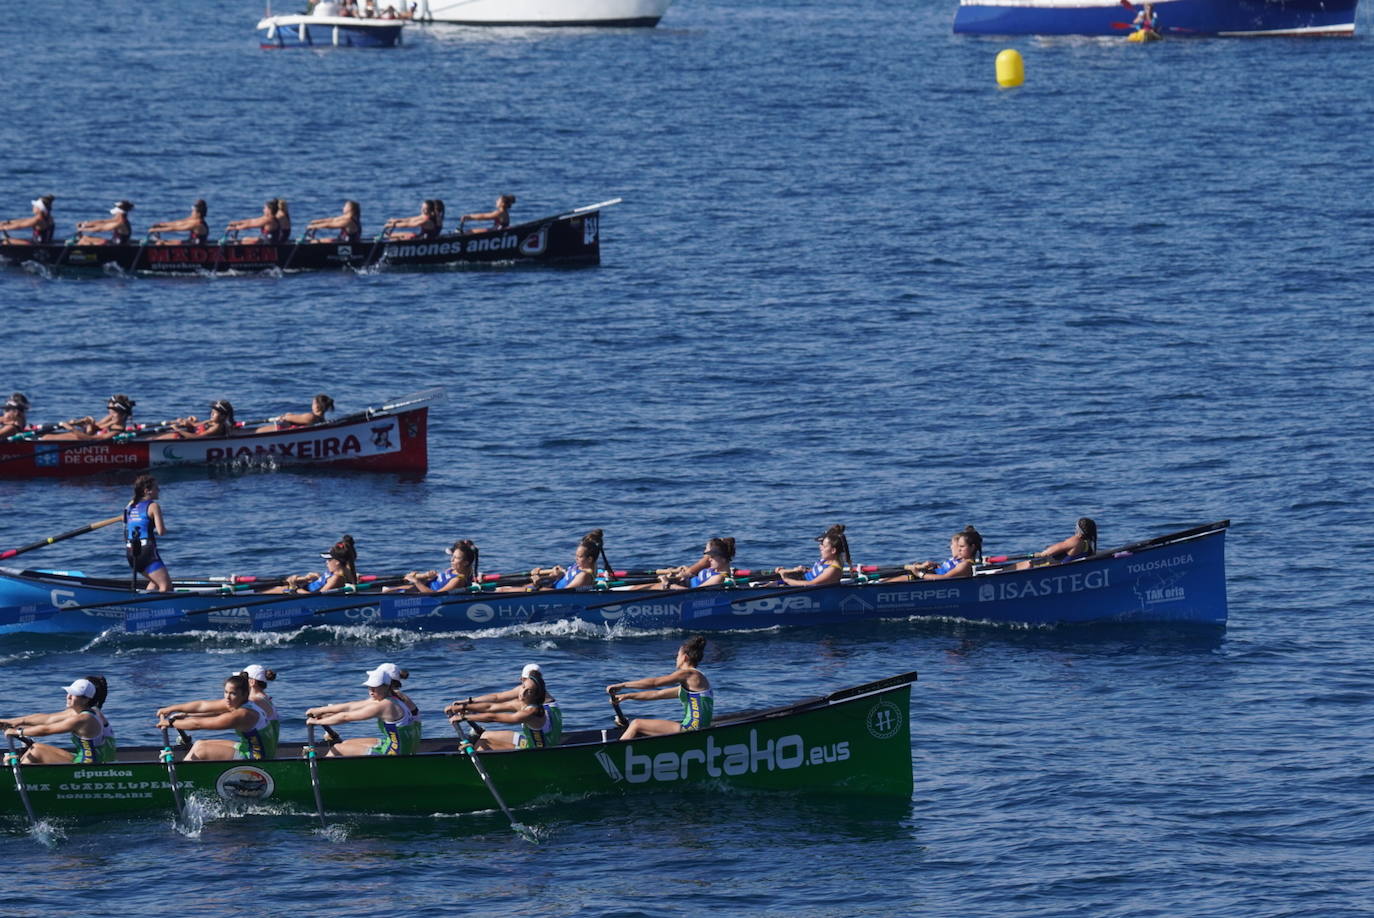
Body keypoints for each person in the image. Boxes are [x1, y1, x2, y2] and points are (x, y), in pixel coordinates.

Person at [607, 635, 712, 740]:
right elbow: (657, 694)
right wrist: (626, 696)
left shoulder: (688, 673)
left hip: (691, 729)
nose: (676, 658)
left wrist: (623, 685)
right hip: (698, 730)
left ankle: (615, 753)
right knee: (642, 728)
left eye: (677, 655)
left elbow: (654, 683)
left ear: (685, 657)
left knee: (636, 724)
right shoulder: (695, 682)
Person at [157, 674, 276, 761]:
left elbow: (198, 724)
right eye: (225, 692)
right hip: (248, 747)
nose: (227, 697)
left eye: (233, 693)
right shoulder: (238, 702)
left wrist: (171, 723)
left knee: (200, 751)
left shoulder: (243, 714)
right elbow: (201, 706)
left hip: (257, 758)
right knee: (199, 744)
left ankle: (183, 781)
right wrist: (171, 709)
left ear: (244, 694)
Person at [0, 676, 115, 765]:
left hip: (88, 767)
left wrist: (17, 732)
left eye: (74, 694)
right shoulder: (84, 711)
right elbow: (48, 719)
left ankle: (15, 781)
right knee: (37, 747)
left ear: (86, 700)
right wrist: (11, 722)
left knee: (37, 751)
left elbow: (47, 730)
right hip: (87, 759)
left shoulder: (84, 719)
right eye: (69, 692)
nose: (68, 697)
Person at [306, 666, 418, 757]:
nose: (371, 691)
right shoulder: (391, 698)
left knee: (338, 748)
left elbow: (346, 717)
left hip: (394, 753)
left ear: (386, 686)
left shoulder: (385, 705)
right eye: (369, 687)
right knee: (346, 743)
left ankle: (325, 773)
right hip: (400, 747)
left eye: (375, 687)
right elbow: (351, 707)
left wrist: (316, 722)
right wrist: (320, 711)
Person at [446, 662, 563, 746]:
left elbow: (494, 717)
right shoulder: (532, 697)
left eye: (528, 690)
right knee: (486, 735)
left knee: (483, 744)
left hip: (537, 750)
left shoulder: (531, 711)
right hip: (531, 740)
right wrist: (463, 706)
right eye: (523, 687)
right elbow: (491, 706)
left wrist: (464, 717)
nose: (522, 692)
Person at [497, 529, 606, 592]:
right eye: (576, 555)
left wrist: (539, 585)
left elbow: (564, 594)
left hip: (548, 595)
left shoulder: (584, 575)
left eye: (579, 556)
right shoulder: (579, 567)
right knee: (502, 589)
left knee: (502, 591)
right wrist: (555, 575)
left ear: (590, 559)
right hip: (548, 588)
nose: (576, 559)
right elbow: (565, 576)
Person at [124, 473, 172, 592]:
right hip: (146, 552)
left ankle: (147, 604)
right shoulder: (154, 506)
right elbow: (161, 532)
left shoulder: (130, 506)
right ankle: (163, 609)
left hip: (131, 553)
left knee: (155, 581)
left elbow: (126, 523)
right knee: (166, 586)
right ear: (147, 491)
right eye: (156, 488)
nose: (159, 490)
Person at [262, 535, 358, 593]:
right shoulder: (340, 573)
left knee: (280, 589)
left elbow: (319, 597)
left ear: (337, 562)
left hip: (305, 596)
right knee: (282, 585)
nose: (326, 562)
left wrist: (294, 589)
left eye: (329, 560)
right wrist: (313, 578)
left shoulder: (336, 578)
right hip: (306, 588)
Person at [892, 526, 983, 582]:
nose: (959, 549)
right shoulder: (958, 560)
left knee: (906, 577)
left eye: (962, 547)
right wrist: (935, 566)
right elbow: (945, 570)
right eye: (958, 546)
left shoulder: (965, 564)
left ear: (972, 547)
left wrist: (920, 574)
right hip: (928, 575)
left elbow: (945, 577)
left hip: (927, 580)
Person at [385, 539, 477, 594]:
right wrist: (424, 576)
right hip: (420, 589)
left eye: (456, 558)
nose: (452, 560)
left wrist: (416, 581)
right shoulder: (451, 570)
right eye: (452, 556)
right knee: (388, 590)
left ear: (465, 563)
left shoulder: (458, 580)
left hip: (425, 596)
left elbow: (436, 595)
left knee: (388, 592)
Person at [773, 524, 851, 587]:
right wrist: (802, 570)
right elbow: (818, 572)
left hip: (804, 588)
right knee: (774, 577)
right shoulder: (827, 561)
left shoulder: (833, 570)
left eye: (823, 545)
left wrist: (786, 580)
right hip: (799, 580)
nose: (820, 547)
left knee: (771, 584)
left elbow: (812, 584)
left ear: (833, 550)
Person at [653, 536, 735, 590]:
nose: (709, 560)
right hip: (683, 585)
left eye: (712, 557)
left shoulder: (719, 578)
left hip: (685, 595)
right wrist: (683, 574)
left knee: (647, 587)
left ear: (724, 559)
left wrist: (669, 585)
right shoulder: (713, 570)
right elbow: (698, 577)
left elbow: (694, 593)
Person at [1016, 518, 1098, 569]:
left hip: (1051, 566)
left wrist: (1045, 551)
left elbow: (1047, 553)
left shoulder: (1075, 540)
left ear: (1078, 529)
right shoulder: (1090, 543)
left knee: (1028, 563)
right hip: (1064, 566)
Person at [47, 393, 135, 440]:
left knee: (47, 438)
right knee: (47, 436)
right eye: (110, 412)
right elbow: (96, 426)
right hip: (81, 437)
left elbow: (92, 439)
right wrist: (81, 423)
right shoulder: (113, 418)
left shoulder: (116, 431)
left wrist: (71, 428)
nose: (111, 415)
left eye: (114, 413)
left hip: (84, 441)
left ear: (124, 414)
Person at [155, 399, 236, 439]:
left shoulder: (217, 427)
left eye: (215, 413)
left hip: (191, 439)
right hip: (186, 436)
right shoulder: (210, 421)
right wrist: (188, 421)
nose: (211, 414)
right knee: (155, 438)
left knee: (173, 436)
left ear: (223, 416)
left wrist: (178, 430)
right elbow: (195, 425)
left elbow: (197, 437)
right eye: (212, 411)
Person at [256, 393, 334, 432]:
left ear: (317, 406)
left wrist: (285, 416)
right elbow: (297, 418)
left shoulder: (310, 417)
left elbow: (289, 418)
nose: (311, 405)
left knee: (258, 431)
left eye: (313, 403)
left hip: (283, 430)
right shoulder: (322, 420)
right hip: (288, 429)